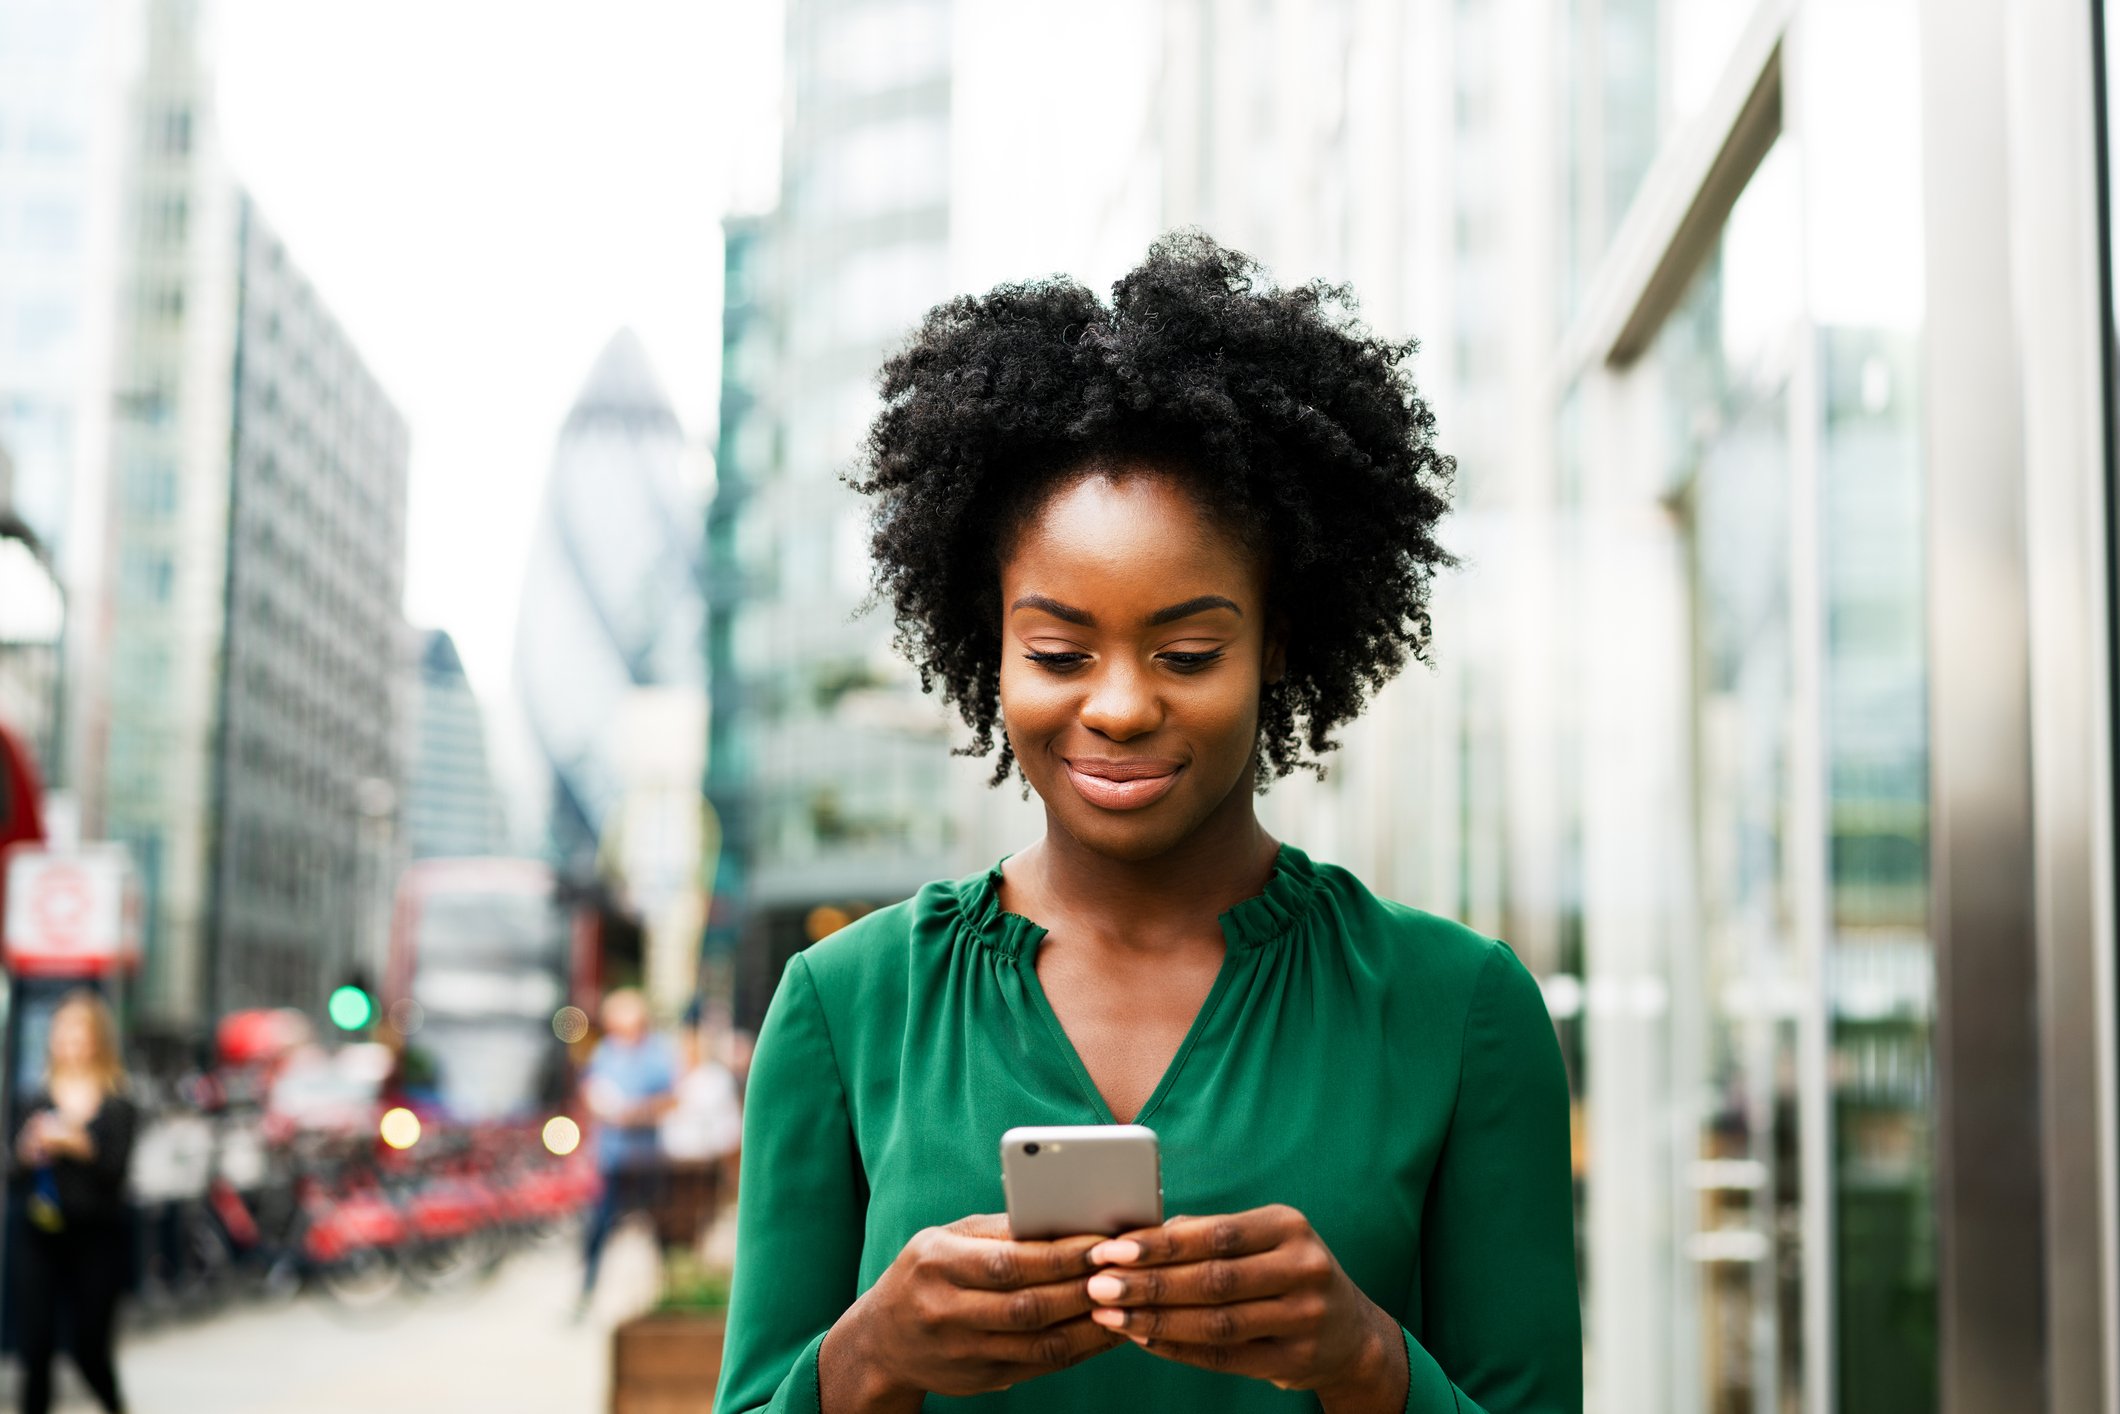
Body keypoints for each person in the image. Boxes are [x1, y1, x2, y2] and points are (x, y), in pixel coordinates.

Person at [715, 233, 1581, 1414]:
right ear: (990, 645)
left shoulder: (1459, 1010)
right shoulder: (845, 1006)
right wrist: (868, 1357)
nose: (1119, 706)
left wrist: (1367, 1362)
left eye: (1186, 652)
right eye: (1057, 652)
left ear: (1274, 644)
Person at [9, 990, 137, 1414]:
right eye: (62, 1031)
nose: (68, 1041)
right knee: (36, 1347)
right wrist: (27, 1150)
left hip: (96, 1235)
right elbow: (13, 1172)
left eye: (78, 1032)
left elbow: (116, 1173)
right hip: (40, 1232)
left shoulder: (118, 1103)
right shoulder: (34, 1098)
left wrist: (82, 1144)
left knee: (90, 1346)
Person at [577, 988, 677, 1308]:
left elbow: (672, 1099)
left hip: (646, 1158)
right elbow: (590, 1089)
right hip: (612, 1155)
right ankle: (587, 1290)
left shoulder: (657, 1053)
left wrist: (636, 1113)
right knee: (598, 1227)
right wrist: (598, 1104)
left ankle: (668, 1291)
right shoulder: (605, 1051)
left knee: (660, 1226)